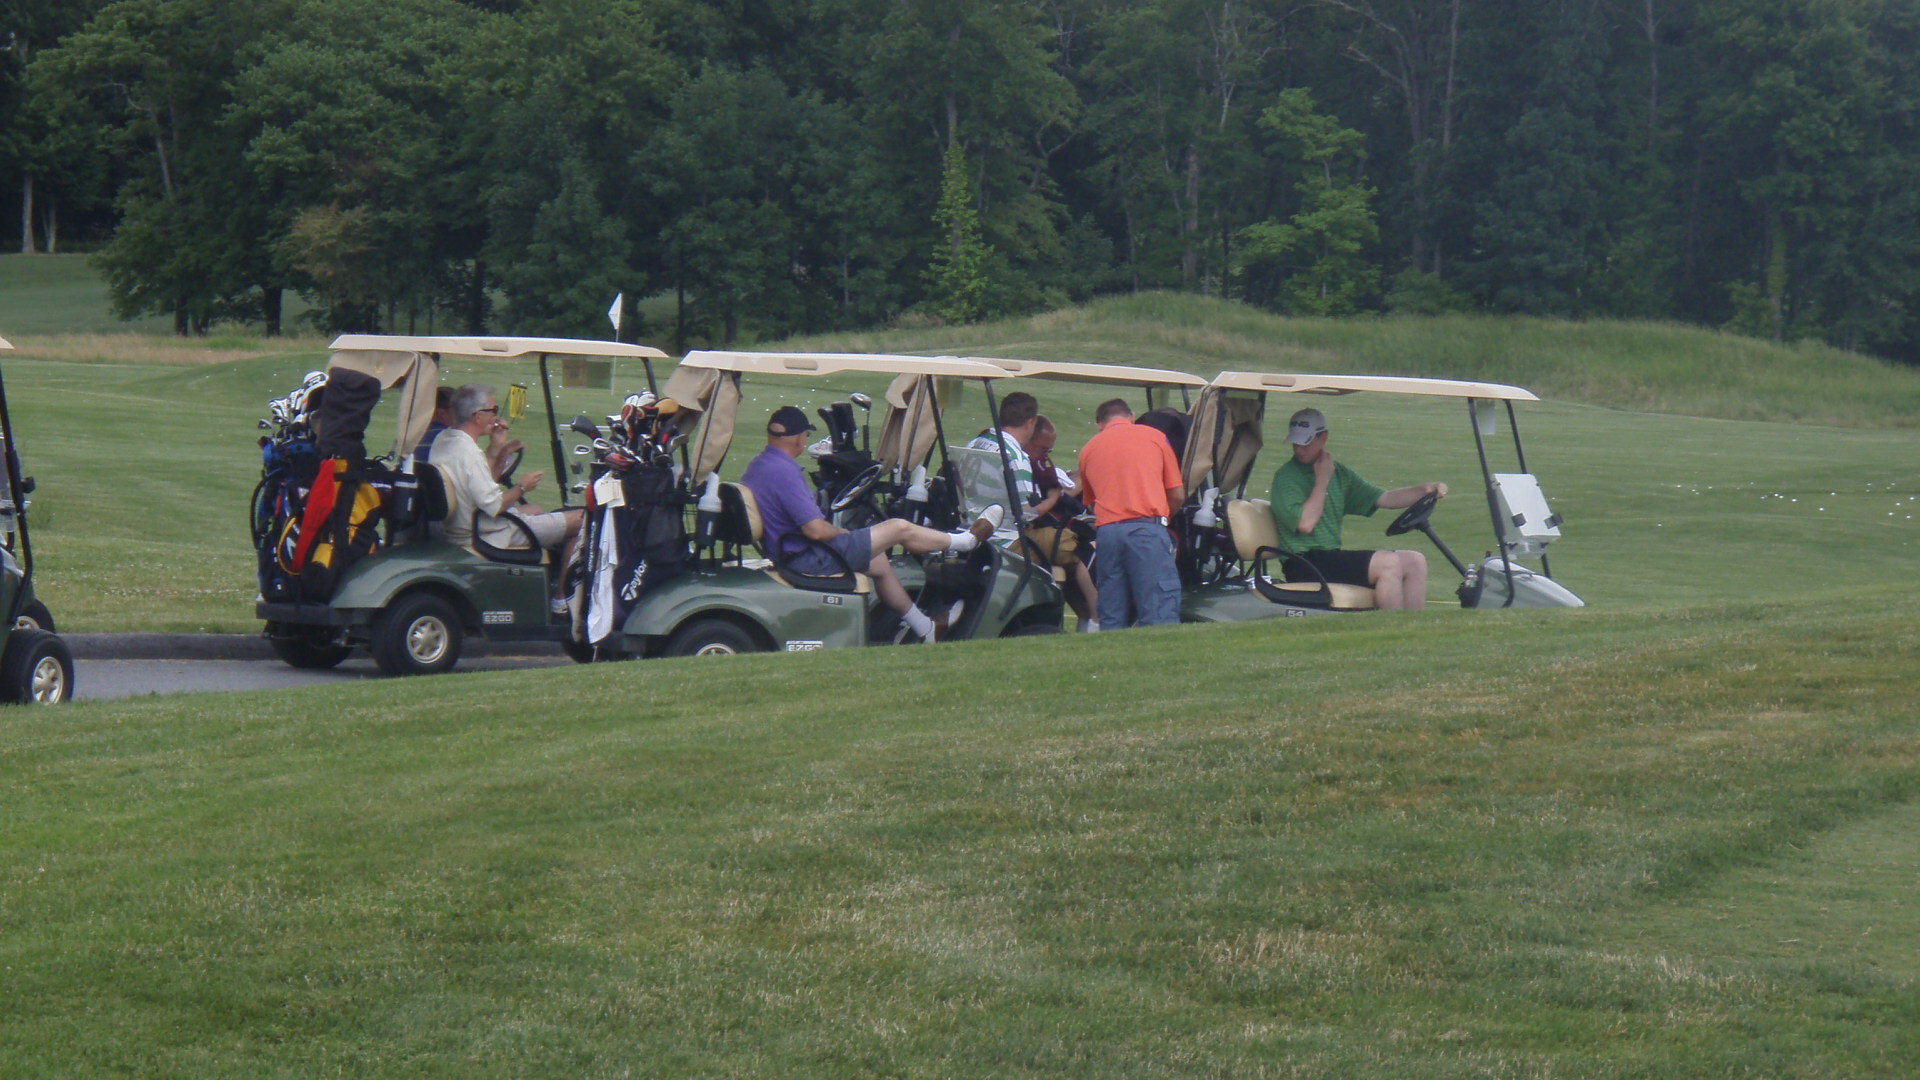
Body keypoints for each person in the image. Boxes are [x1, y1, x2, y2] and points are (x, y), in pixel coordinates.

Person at [741, 405, 1004, 643]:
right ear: (799, 438)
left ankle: (926, 629)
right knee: (898, 528)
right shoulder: (785, 472)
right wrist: (841, 533)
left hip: (792, 550)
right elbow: (816, 530)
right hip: (808, 556)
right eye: (806, 436)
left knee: (879, 563)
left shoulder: (759, 465)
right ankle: (966, 541)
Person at [1267, 406, 1448, 610]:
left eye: (1306, 443)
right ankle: (1392, 631)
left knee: (1415, 561)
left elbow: (1385, 498)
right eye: (1296, 443)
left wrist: (1425, 489)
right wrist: (1322, 480)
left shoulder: (1340, 474)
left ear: (1323, 437)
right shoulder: (1286, 478)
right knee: (1388, 563)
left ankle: (1416, 631)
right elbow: (1306, 524)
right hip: (1302, 562)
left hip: (1327, 559)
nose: (1300, 449)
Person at [433, 384, 583, 558]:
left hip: (470, 523)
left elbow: (484, 483)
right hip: (486, 534)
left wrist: (498, 447)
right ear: (479, 416)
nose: (495, 416)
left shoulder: (445, 439)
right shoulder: (469, 453)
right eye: (493, 410)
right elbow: (495, 506)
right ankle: (566, 584)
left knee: (535, 508)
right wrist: (522, 487)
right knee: (582, 520)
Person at [1076, 398, 1185, 629]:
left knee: (1112, 610)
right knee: (1158, 610)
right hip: (1146, 528)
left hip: (1107, 535)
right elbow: (1177, 495)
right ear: (1132, 417)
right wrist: (1164, 520)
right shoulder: (1154, 437)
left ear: (1099, 424)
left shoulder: (1088, 449)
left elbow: (1092, 502)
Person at [1024, 415, 1100, 631]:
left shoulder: (1034, 464)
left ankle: (1088, 618)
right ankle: (1095, 620)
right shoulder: (1025, 464)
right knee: (1085, 554)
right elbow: (1060, 495)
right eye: (1044, 449)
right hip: (1034, 532)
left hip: (1041, 529)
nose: (1046, 456)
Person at [417, 385, 520, 479]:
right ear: (441, 413)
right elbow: (485, 491)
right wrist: (521, 487)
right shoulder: (451, 441)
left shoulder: (428, 435)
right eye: (458, 409)